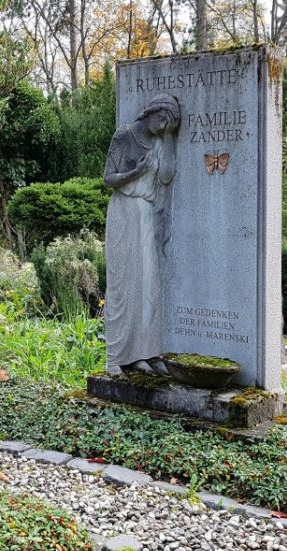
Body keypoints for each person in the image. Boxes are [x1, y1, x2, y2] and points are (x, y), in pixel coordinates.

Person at [102, 93, 180, 375]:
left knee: (147, 286)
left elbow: (168, 175)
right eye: (162, 120)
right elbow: (108, 178)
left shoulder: (161, 141)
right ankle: (115, 357)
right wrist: (137, 171)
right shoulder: (124, 135)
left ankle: (141, 354)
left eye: (168, 125)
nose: (162, 126)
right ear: (152, 111)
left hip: (146, 214)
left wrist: (169, 137)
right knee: (123, 286)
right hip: (123, 211)